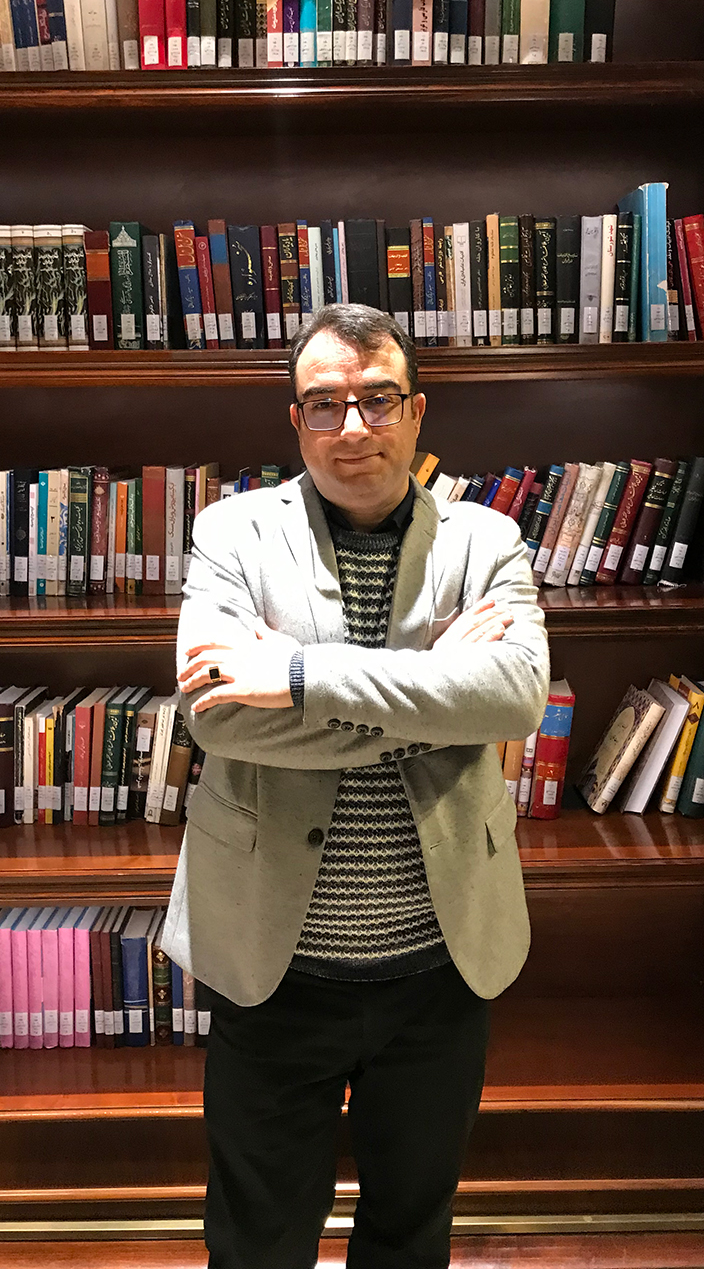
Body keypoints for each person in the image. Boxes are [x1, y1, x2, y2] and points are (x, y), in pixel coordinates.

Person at [161, 303, 550, 1269]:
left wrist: (298, 677)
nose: (353, 427)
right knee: (256, 1239)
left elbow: (512, 697)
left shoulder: (487, 540)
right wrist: (434, 694)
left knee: (411, 1230)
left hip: (438, 967)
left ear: (416, 412)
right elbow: (218, 716)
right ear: (296, 421)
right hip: (273, 966)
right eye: (326, 404)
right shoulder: (231, 534)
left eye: (378, 399)